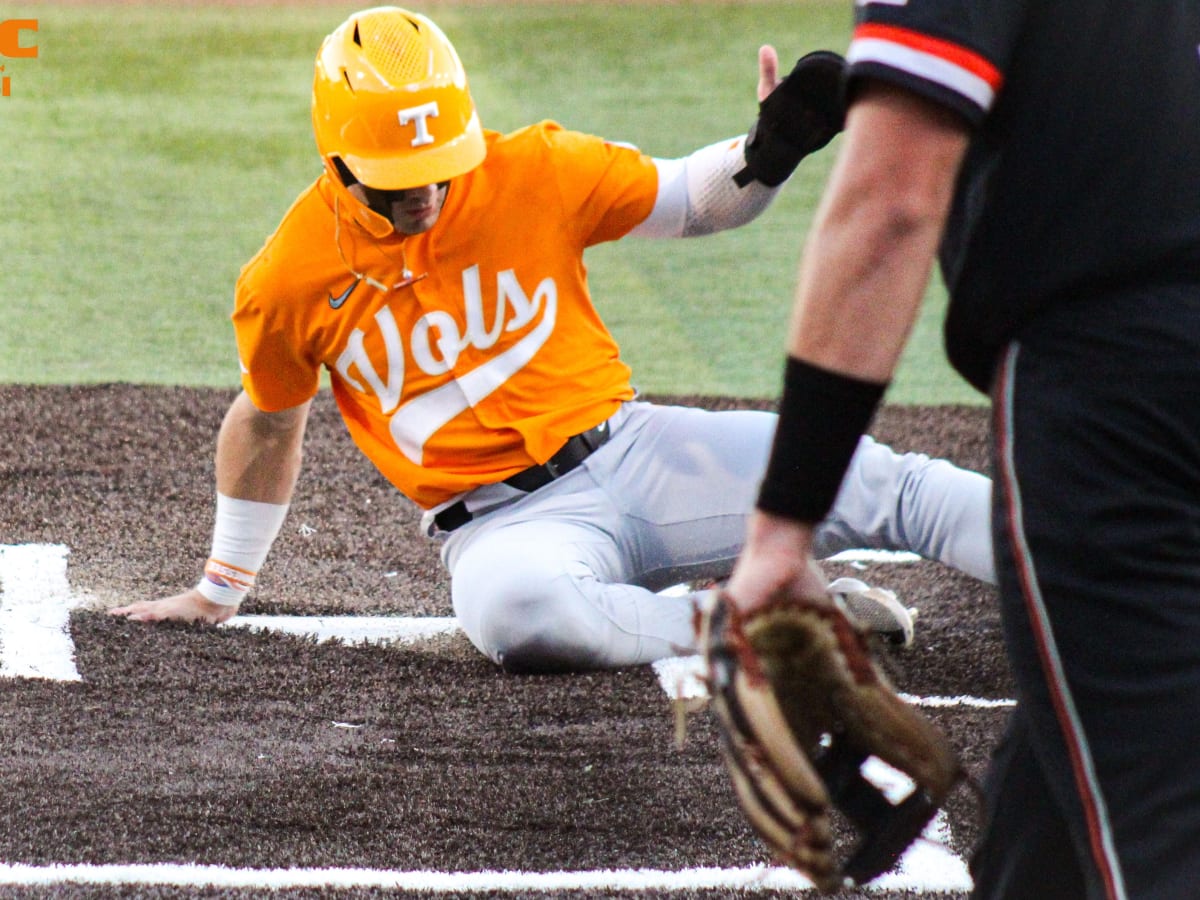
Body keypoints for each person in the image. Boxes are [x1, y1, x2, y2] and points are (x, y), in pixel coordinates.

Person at [110, 6, 994, 673]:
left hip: (639, 452)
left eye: (439, 169)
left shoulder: (529, 167)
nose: (426, 196)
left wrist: (765, 154)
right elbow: (267, 420)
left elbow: (690, 198)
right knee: (518, 617)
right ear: (336, 157)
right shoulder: (289, 279)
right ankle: (778, 627)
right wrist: (220, 587)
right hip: (503, 524)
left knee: (888, 481)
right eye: (399, 181)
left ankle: (1108, 582)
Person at [723, 2, 1200, 898]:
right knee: (1041, 824)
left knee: (1161, 831)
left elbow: (892, 203)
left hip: (1127, 396)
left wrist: (783, 530)